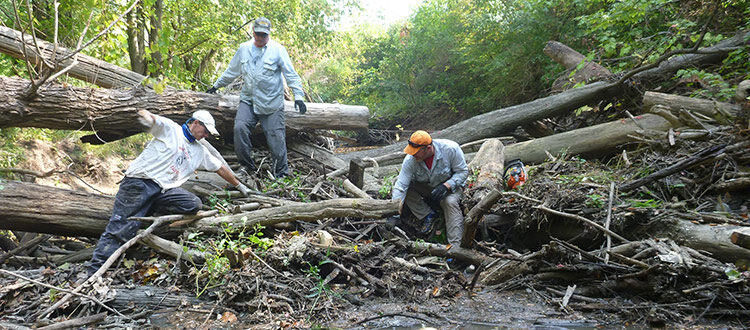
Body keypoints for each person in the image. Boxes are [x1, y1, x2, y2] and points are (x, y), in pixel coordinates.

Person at [87, 109, 252, 275]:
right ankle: (94, 272)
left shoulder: (199, 151)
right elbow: (151, 119)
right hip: (139, 183)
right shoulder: (171, 130)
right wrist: (143, 114)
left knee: (193, 204)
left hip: (162, 191)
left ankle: (147, 214)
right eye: (206, 131)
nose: (206, 135)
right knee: (119, 228)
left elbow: (220, 167)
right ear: (196, 123)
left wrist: (240, 186)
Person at [206, 17, 306, 179]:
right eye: (258, 34)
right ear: (253, 32)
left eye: (264, 35)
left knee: (276, 138)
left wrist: (299, 96)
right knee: (240, 129)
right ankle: (247, 167)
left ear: (269, 35)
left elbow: (291, 74)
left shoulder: (278, 50)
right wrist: (216, 86)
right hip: (249, 100)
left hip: (271, 103)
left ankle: (281, 173)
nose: (260, 38)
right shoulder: (243, 49)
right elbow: (231, 71)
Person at [391, 130, 468, 246]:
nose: (413, 154)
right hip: (428, 187)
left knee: (450, 202)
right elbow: (401, 186)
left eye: (416, 152)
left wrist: (447, 186)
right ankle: (428, 215)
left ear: (428, 148)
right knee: (403, 184)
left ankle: (455, 247)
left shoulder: (450, 149)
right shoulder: (410, 160)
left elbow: (463, 172)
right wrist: (394, 213)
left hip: (451, 188)